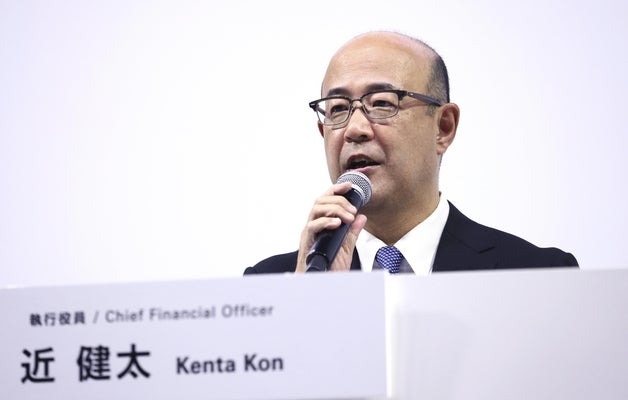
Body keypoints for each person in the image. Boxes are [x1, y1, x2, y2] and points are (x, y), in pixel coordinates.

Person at [244, 31, 578, 275]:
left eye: (382, 103)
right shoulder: (274, 284)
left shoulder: (537, 274)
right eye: (338, 109)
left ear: (443, 127)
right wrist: (305, 304)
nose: (354, 129)